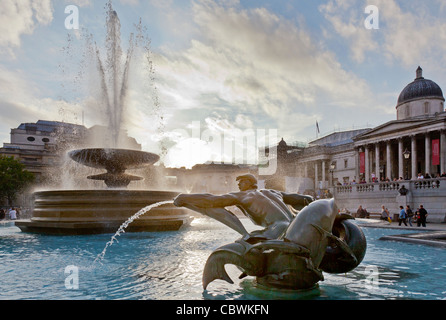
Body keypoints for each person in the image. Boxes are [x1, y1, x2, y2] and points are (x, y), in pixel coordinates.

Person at [174, 174, 314, 240]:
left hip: (277, 229)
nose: (239, 185)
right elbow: (306, 200)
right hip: (296, 225)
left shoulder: (242, 196)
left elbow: (212, 200)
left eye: (242, 182)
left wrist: (186, 197)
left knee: (243, 244)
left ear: (249, 183)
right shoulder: (273, 192)